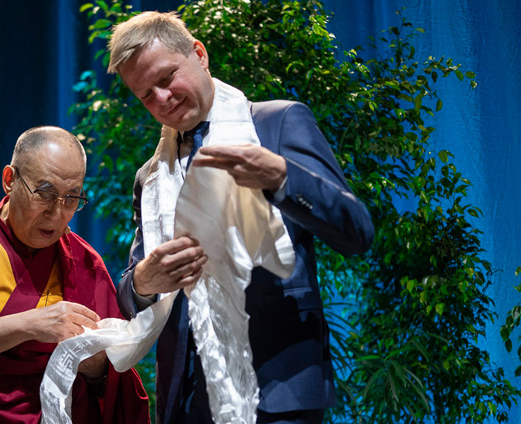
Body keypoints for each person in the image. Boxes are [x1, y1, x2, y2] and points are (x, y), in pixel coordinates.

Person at [109, 12, 375, 424]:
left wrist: (283, 179)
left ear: (199, 53)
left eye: (166, 79)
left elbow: (356, 232)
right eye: (146, 95)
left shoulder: (275, 125)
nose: (161, 99)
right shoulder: (151, 176)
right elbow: (129, 293)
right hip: (188, 399)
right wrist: (145, 281)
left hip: (277, 388)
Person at [0, 126, 150, 423]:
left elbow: (109, 380)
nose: (57, 213)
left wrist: (96, 366)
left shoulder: (84, 263)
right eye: (45, 194)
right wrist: (31, 324)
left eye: (72, 198)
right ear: (10, 180)